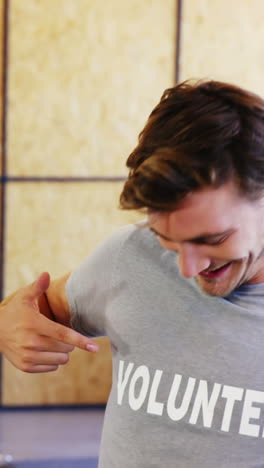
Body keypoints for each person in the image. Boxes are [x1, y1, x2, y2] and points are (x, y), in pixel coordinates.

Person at [1, 79, 264, 467]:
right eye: (167, 239)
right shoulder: (130, 254)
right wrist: (9, 323)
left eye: (214, 238)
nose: (187, 268)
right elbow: (31, 308)